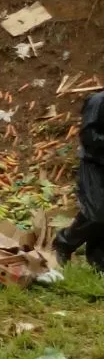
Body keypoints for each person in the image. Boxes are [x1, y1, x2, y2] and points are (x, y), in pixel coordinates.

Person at [54, 92, 104, 273]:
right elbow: (87, 135)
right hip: (94, 164)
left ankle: (99, 260)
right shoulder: (98, 101)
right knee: (96, 211)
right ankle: (64, 242)